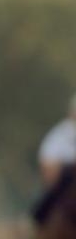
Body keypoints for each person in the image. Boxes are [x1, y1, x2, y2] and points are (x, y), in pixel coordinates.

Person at [31, 93, 76, 224]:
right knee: (48, 200)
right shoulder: (60, 134)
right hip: (65, 179)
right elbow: (48, 160)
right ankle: (33, 226)